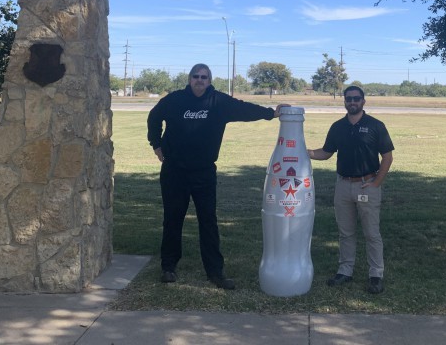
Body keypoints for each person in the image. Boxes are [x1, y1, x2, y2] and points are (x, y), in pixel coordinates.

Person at [147, 63, 286, 289]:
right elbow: (154, 117)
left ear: (209, 80)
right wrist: (156, 144)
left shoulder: (218, 102)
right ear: (189, 78)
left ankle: (215, 272)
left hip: (204, 171)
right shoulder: (175, 100)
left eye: (204, 77)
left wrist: (271, 113)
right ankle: (168, 267)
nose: (199, 80)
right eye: (195, 76)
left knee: (208, 221)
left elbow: (244, 109)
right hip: (175, 171)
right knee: (173, 218)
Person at [307, 85, 394, 294]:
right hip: (343, 185)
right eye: (349, 99)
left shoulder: (375, 125)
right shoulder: (338, 127)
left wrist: (376, 183)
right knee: (345, 233)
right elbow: (326, 153)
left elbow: (387, 157)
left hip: (367, 184)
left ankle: (376, 274)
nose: (352, 102)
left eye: (356, 99)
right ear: (344, 101)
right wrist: (304, 151)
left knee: (372, 233)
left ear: (363, 101)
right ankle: (345, 271)